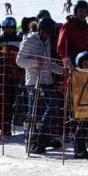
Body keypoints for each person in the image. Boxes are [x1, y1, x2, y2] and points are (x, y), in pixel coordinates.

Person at [16, 16, 63, 154]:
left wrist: (62, 71)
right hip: (34, 81)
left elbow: (48, 63)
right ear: (41, 30)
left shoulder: (47, 42)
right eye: (47, 32)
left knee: (53, 106)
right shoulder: (30, 40)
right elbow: (20, 60)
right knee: (35, 112)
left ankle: (43, 136)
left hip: (47, 81)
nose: (49, 35)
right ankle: (31, 140)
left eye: (50, 33)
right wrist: (35, 62)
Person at [0, 16, 23, 136]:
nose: (7, 30)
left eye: (10, 28)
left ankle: (7, 125)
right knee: (1, 101)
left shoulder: (18, 40)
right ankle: (1, 125)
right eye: (5, 28)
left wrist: (18, 68)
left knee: (10, 101)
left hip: (14, 75)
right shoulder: (0, 40)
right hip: (2, 74)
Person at [57, 0, 88, 69]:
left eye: (85, 11)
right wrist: (66, 59)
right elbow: (61, 47)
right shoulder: (68, 26)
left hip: (84, 62)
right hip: (72, 62)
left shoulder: (85, 26)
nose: (83, 14)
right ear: (75, 12)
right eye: (80, 11)